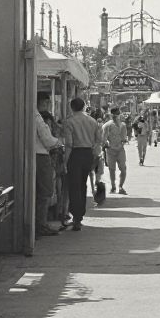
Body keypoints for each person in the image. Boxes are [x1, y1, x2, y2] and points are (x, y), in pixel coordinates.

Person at [61, 97, 103, 231]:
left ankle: (76, 217)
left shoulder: (69, 122)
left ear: (71, 107)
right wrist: (95, 156)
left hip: (75, 154)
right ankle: (79, 216)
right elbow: (99, 140)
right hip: (88, 155)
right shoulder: (92, 121)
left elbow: (68, 144)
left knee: (74, 186)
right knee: (82, 184)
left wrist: (65, 161)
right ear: (84, 106)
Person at [34, 96, 62, 236]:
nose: (47, 104)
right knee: (45, 191)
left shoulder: (33, 113)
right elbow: (46, 138)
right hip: (41, 155)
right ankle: (41, 224)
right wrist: (57, 142)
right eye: (45, 102)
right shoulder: (36, 116)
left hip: (34, 154)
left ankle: (39, 223)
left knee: (38, 192)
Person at [101, 106, 129, 195]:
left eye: (117, 114)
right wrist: (107, 143)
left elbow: (124, 138)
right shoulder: (107, 125)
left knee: (123, 169)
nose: (116, 116)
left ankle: (120, 186)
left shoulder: (123, 125)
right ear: (111, 114)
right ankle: (113, 186)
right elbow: (104, 139)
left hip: (120, 150)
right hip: (110, 151)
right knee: (111, 169)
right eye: (114, 114)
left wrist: (122, 142)